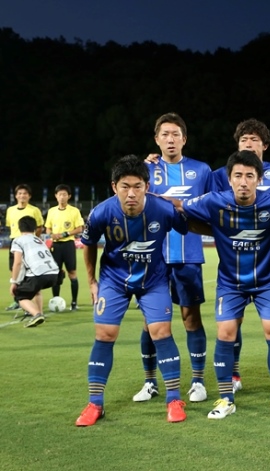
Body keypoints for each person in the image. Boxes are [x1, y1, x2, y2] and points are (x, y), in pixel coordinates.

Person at [180, 150, 270, 419]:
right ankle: (226, 398)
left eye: (250, 176)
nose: (243, 182)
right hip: (230, 283)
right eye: (238, 176)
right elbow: (180, 207)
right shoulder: (214, 201)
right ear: (229, 179)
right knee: (225, 333)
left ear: (259, 179)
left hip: (267, 281)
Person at [75, 155, 188, 426]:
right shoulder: (101, 212)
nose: (131, 193)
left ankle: (174, 399)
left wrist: (180, 206)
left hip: (153, 281)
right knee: (105, 334)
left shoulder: (162, 209)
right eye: (125, 186)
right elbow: (88, 244)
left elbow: (185, 226)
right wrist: (91, 282)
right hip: (114, 280)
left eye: (137, 186)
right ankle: (95, 403)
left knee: (161, 331)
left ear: (147, 186)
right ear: (114, 186)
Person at [211, 118, 270, 394]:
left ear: (265, 145)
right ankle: (233, 374)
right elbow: (203, 205)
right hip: (234, 255)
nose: (249, 144)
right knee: (231, 322)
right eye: (243, 140)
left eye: (254, 140)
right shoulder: (221, 174)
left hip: (268, 252)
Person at [134, 112, 212, 404]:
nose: (170, 139)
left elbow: (210, 206)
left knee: (191, 318)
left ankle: (198, 381)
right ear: (156, 139)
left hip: (188, 255)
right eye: (165, 134)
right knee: (150, 321)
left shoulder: (201, 170)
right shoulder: (145, 169)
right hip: (152, 258)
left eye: (175, 134)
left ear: (184, 139)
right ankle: (150, 381)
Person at [9, 216, 59, 327]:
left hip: (39, 274)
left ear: (19, 228)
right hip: (54, 274)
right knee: (36, 289)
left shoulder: (18, 241)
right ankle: (40, 313)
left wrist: (14, 282)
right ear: (35, 228)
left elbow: (17, 263)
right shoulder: (39, 240)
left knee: (20, 296)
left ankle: (36, 314)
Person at [44, 184, 84, 311]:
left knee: (72, 273)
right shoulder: (51, 211)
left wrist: (64, 234)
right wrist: (51, 234)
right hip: (55, 246)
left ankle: (74, 303)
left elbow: (79, 228)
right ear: (56, 196)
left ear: (69, 196)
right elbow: (47, 228)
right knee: (56, 273)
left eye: (64, 194)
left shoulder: (74, 211)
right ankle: (56, 300)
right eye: (60, 194)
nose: (62, 197)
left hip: (68, 245)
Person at [5, 184, 44, 312]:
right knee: (14, 272)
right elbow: (10, 226)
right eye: (20, 193)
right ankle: (18, 301)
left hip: (28, 245)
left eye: (25, 193)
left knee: (31, 275)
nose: (22, 195)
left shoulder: (34, 210)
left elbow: (39, 227)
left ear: (29, 196)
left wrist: (32, 240)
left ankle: (37, 308)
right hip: (15, 243)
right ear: (16, 196)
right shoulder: (10, 210)